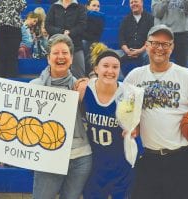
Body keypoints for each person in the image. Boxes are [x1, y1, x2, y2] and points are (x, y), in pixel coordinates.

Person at [123, 24, 188, 199]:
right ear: (146, 45)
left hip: (182, 159)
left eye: (166, 44)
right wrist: (133, 126)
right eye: (155, 43)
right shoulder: (134, 76)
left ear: (172, 48)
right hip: (149, 158)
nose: (160, 48)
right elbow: (128, 112)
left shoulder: (187, 76)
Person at [31, 34, 92, 199]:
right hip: (49, 157)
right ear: (48, 58)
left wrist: (89, 91)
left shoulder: (82, 87)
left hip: (80, 157)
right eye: (55, 53)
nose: (60, 57)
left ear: (72, 58)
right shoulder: (34, 87)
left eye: (65, 53)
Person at [75, 46, 137, 199]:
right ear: (96, 68)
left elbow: (138, 124)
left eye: (115, 67)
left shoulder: (129, 94)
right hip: (95, 163)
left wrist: (135, 130)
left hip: (121, 162)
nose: (110, 70)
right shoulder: (84, 89)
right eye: (106, 66)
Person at [45, 0, 87, 79]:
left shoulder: (80, 7)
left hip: (76, 47)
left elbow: (82, 25)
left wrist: (70, 33)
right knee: (53, 75)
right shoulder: (54, 7)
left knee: (79, 77)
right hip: (56, 46)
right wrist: (61, 32)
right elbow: (48, 25)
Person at [151, 0, 188, 67]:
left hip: (182, 33)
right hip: (163, 33)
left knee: (182, 67)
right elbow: (156, 13)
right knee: (161, 65)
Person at [0, 0, 26, 77]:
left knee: (12, 56)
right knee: (0, 55)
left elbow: (22, 6)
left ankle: (12, 81)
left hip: (14, 28)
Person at [118, 0, 154, 77]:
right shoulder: (125, 19)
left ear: (142, 3)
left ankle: (147, 78)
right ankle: (121, 82)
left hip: (144, 50)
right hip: (127, 50)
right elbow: (121, 38)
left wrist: (140, 51)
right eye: (131, 2)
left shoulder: (150, 19)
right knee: (113, 56)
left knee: (149, 54)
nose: (133, 4)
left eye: (136, 1)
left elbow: (151, 39)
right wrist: (127, 51)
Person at [82, 0, 105, 76]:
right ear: (88, 7)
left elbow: (97, 35)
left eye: (98, 6)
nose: (96, 8)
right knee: (84, 43)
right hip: (84, 42)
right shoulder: (83, 16)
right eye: (94, 5)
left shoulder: (101, 18)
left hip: (94, 42)